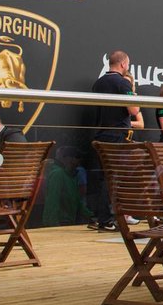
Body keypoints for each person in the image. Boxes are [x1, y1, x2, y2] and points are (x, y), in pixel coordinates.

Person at [88, 50, 140, 232]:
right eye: (128, 64)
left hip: (100, 134)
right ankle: (108, 220)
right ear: (123, 64)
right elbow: (134, 110)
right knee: (114, 178)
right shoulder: (122, 83)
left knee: (101, 177)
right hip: (117, 136)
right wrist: (134, 94)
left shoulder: (98, 83)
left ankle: (97, 218)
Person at [42, 146, 92, 226]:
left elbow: (77, 200)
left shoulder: (72, 175)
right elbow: (52, 201)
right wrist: (53, 225)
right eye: (77, 157)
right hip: (58, 223)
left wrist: (91, 216)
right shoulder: (58, 174)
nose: (80, 160)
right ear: (68, 158)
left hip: (69, 221)